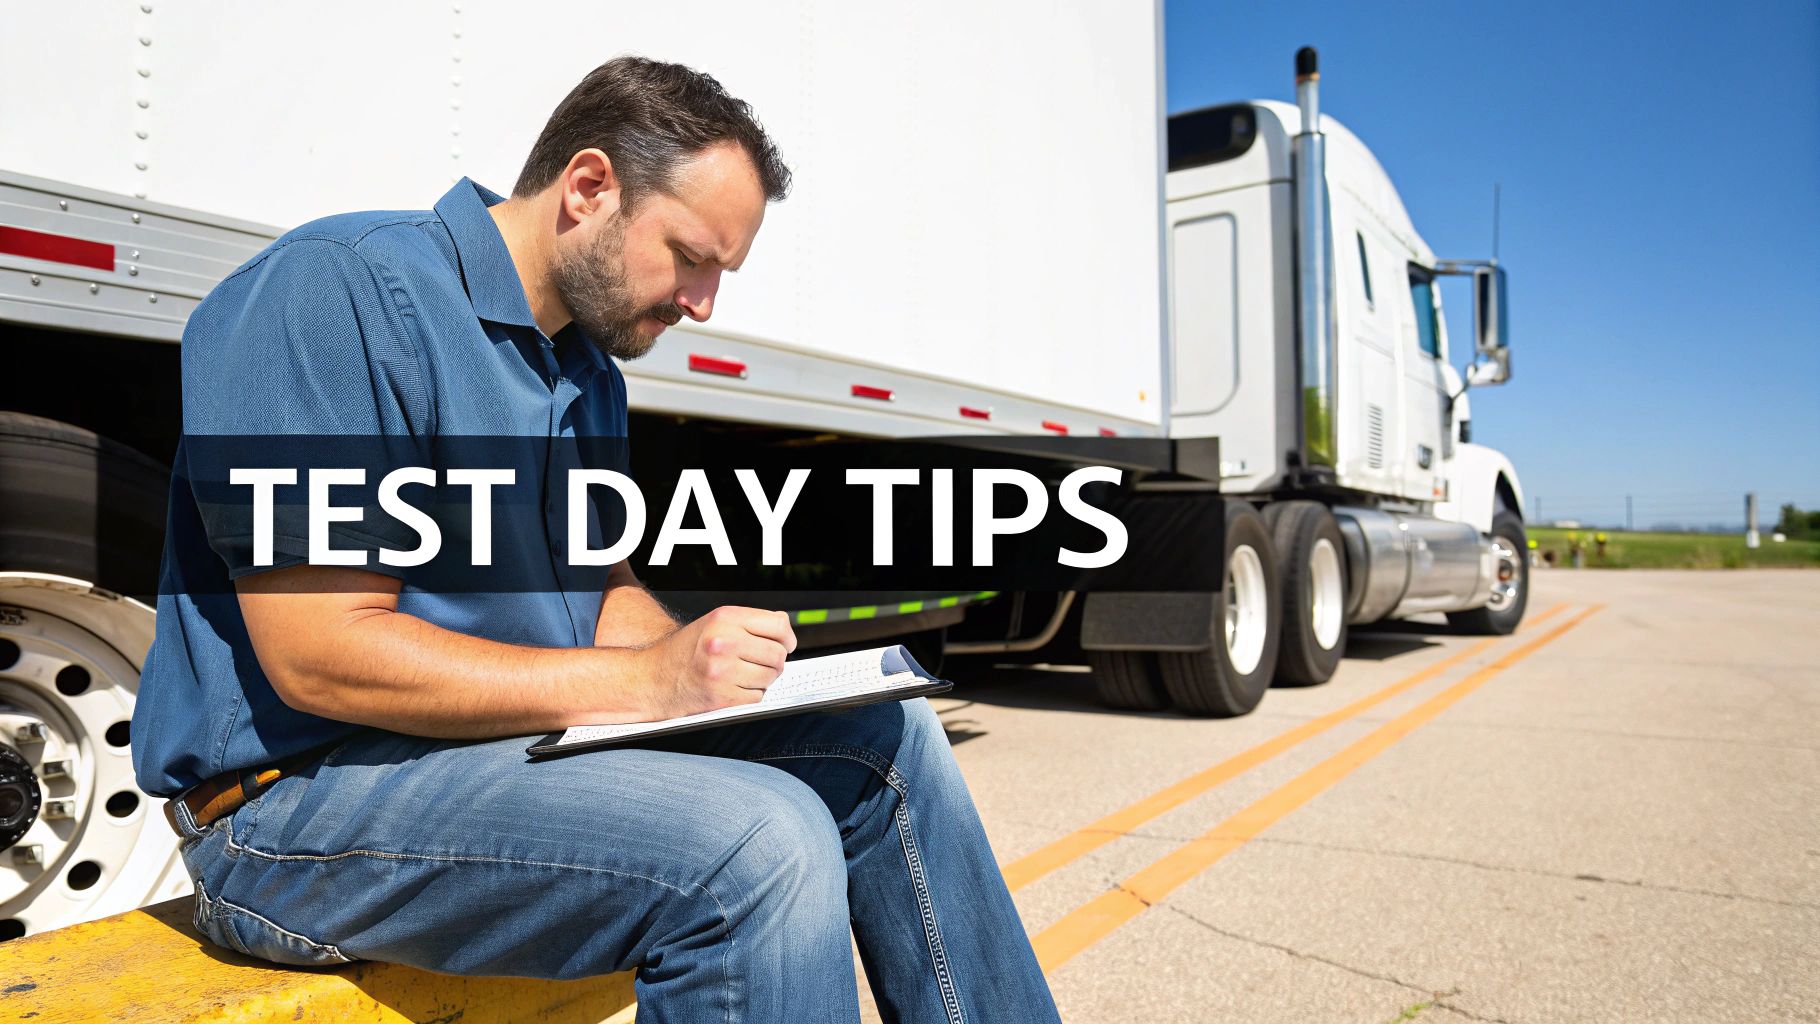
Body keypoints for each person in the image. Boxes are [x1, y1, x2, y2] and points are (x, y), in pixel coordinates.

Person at [132, 56, 1061, 1024]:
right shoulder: (337, 290)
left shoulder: (587, 371)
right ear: (587, 188)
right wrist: (642, 683)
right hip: (296, 811)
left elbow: (601, 591)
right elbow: (320, 656)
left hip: (487, 759)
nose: (703, 302)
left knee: (889, 738)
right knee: (756, 842)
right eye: (691, 255)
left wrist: (706, 672)